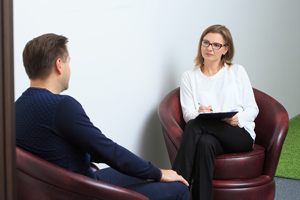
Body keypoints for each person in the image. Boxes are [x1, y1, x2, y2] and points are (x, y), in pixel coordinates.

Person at [16, 33, 189, 200]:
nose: (69, 69)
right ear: (59, 65)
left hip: (54, 188)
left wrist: (151, 170)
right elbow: (108, 151)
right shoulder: (61, 106)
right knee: (178, 187)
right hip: (82, 192)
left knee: (142, 171)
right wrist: (159, 173)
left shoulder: (17, 107)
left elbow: (55, 148)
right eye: (69, 62)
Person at [172, 25, 259, 200]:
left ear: (226, 49)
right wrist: (198, 111)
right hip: (209, 134)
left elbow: (253, 108)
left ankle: (174, 188)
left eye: (216, 45)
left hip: (238, 134)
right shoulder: (190, 77)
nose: (209, 48)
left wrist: (237, 119)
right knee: (204, 143)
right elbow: (188, 115)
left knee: (197, 125)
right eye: (206, 43)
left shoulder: (237, 71)